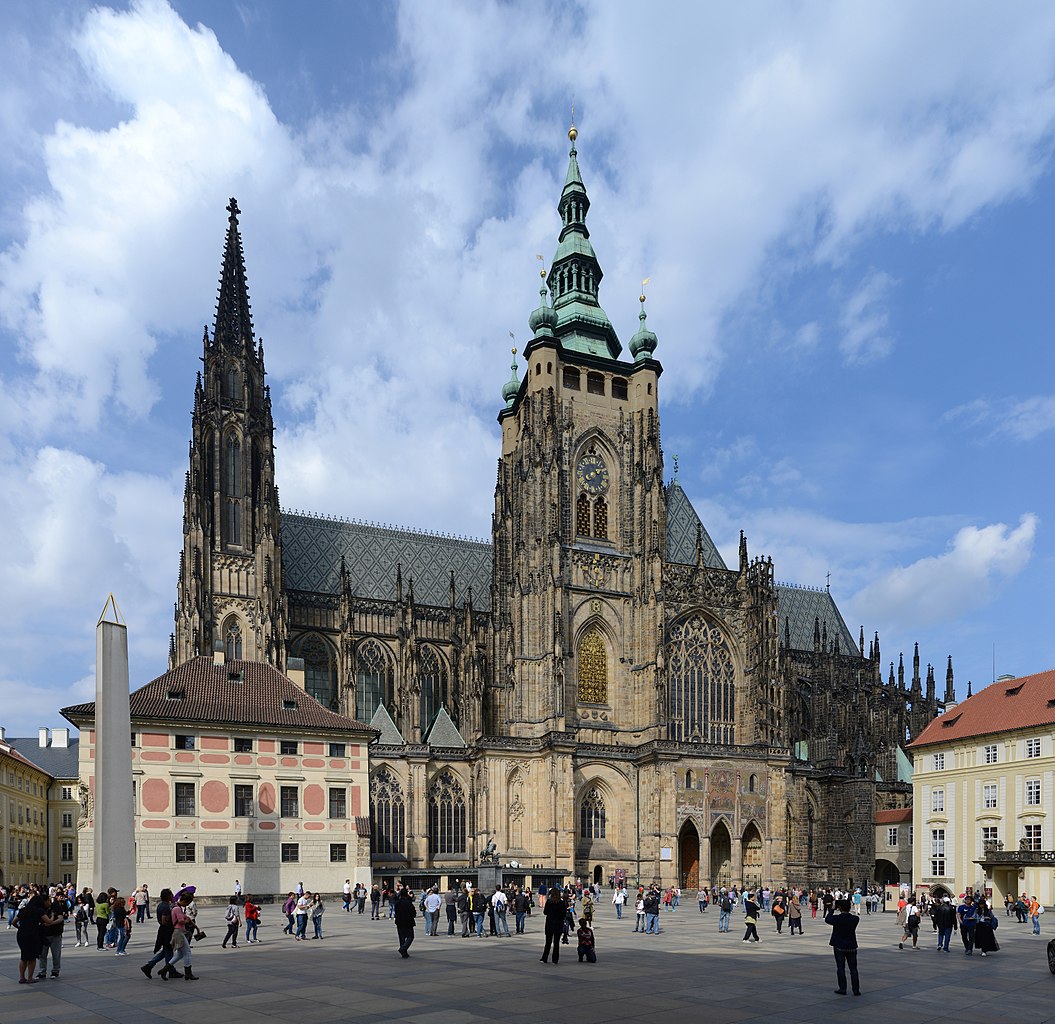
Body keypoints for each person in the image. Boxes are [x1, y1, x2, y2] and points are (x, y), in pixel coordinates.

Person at [825, 898, 860, 996]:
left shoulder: (837, 919)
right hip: (851, 946)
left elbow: (828, 919)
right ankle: (856, 989)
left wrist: (832, 909)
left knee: (841, 967)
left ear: (839, 908)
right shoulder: (855, 919)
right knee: (853, 969)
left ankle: (842, 988)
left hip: (839, 945)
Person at [14, 892, 48, 984]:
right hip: (33, 934)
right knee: (32, 957)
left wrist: (20, 928)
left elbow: (14, 922)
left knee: (24, 956)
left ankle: (21, 977)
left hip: (21, 934)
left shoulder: (23, 910)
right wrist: (52, 918)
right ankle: (30, 978)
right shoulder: (39, 910)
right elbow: (48, 921)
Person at [140, 888, 175, 978]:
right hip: (166, 931)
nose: (173, 896)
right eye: (171, 894)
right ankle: (170, 970)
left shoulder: (161, 905)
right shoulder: (166, 907)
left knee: (165, 951)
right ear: (168, 896)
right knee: (168, 951)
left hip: (163, 930)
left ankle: (149, 966)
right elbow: (164, 921)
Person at [165, 893, 198, 980]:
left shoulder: (176, 907)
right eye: (187, 903)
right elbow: (181, 921)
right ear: (183, 901)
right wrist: (186, 920)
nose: (186, 905)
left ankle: (164, 969)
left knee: (179, 954)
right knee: (187, 952)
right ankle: (188, 973)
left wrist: (188, 919)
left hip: (178, 931)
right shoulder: (177, 909)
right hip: (178, 932)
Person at [38, 892, 68, 978]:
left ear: (48, 900)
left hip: (55, 933)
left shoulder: (56, 906)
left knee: (56, 954)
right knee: (42, 955)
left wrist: (51, 923)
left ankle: (55, 971)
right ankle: (42, 971)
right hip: (43, 934)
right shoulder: (40, 908)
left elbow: (60, 918)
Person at [540, 887, 567, 963]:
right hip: (558, 924)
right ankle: (555, 959)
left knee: (548, 942)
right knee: (556, 943)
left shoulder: (549, 902)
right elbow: (564, 914)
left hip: (550, 924)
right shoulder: (561, 903)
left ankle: (544, 958)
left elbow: (545, 912)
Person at [394, 888, 416, 958]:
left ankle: (404, 952)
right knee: (410, 936)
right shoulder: (408, 902)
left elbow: (396, 912)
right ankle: (403, 948)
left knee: (402, 937)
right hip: (408, 922)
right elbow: (413, 913)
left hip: (399, 922)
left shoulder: (397, 902)